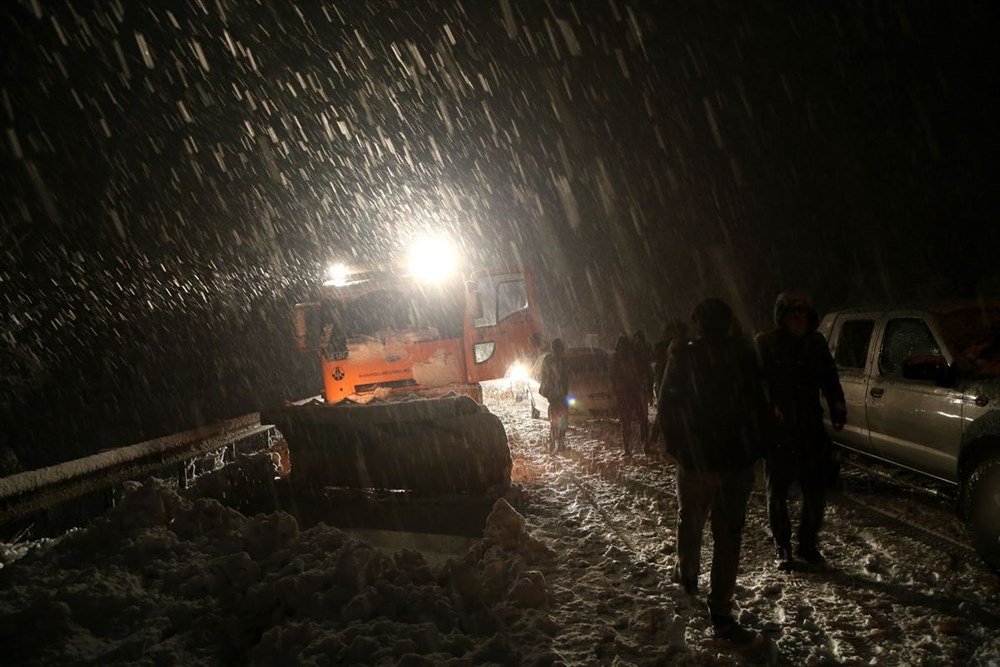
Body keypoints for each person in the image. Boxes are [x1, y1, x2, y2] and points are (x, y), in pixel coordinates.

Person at [658, 298, 769, 640]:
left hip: (698, 462)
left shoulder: (684, 356)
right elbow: (760, 404)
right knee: (728, 536)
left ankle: (689, 573)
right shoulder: (746, 355)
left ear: (698, 323)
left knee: (690, 522)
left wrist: (679, 448)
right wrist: (752, 449)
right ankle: (720, 604)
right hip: (735, 463)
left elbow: (666, 405)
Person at [755, 291, 847, 569]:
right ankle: (782, 544)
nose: (798, 318)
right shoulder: (766, 343)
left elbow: (829, 376)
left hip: (809, 427)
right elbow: (756, 382)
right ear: (782, 317)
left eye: (803, 314)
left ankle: (807, 543)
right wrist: (770, 406)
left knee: (816, 491)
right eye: (793, 313)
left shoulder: (815, 343)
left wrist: (838, 405)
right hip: (778, 431)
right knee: (778, 492)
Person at [649, 319, 688, 452]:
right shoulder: (669, 347)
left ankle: (658, 441)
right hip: (668, 383)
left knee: (665, 413)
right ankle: (657, 441)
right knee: (664, 413)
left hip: (671, 384)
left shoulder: (676, 347)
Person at [612, 334, 647, 455]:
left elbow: (613, 376)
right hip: (630, 393)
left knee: (628, 422)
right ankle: (639, 445)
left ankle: (629, 448)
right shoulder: (626, 357)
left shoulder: (620, 358)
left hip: (627, 393)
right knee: (637, 419)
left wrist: (615, 391)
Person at [539, 338, 570, 453]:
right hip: (559, 394)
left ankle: (554, 442)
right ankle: (559, 443)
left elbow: (545, 377)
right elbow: (566, 377)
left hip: (554, 395)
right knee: (561, 420)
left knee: (556, 420)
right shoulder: (562, 360)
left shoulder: (549, 360)